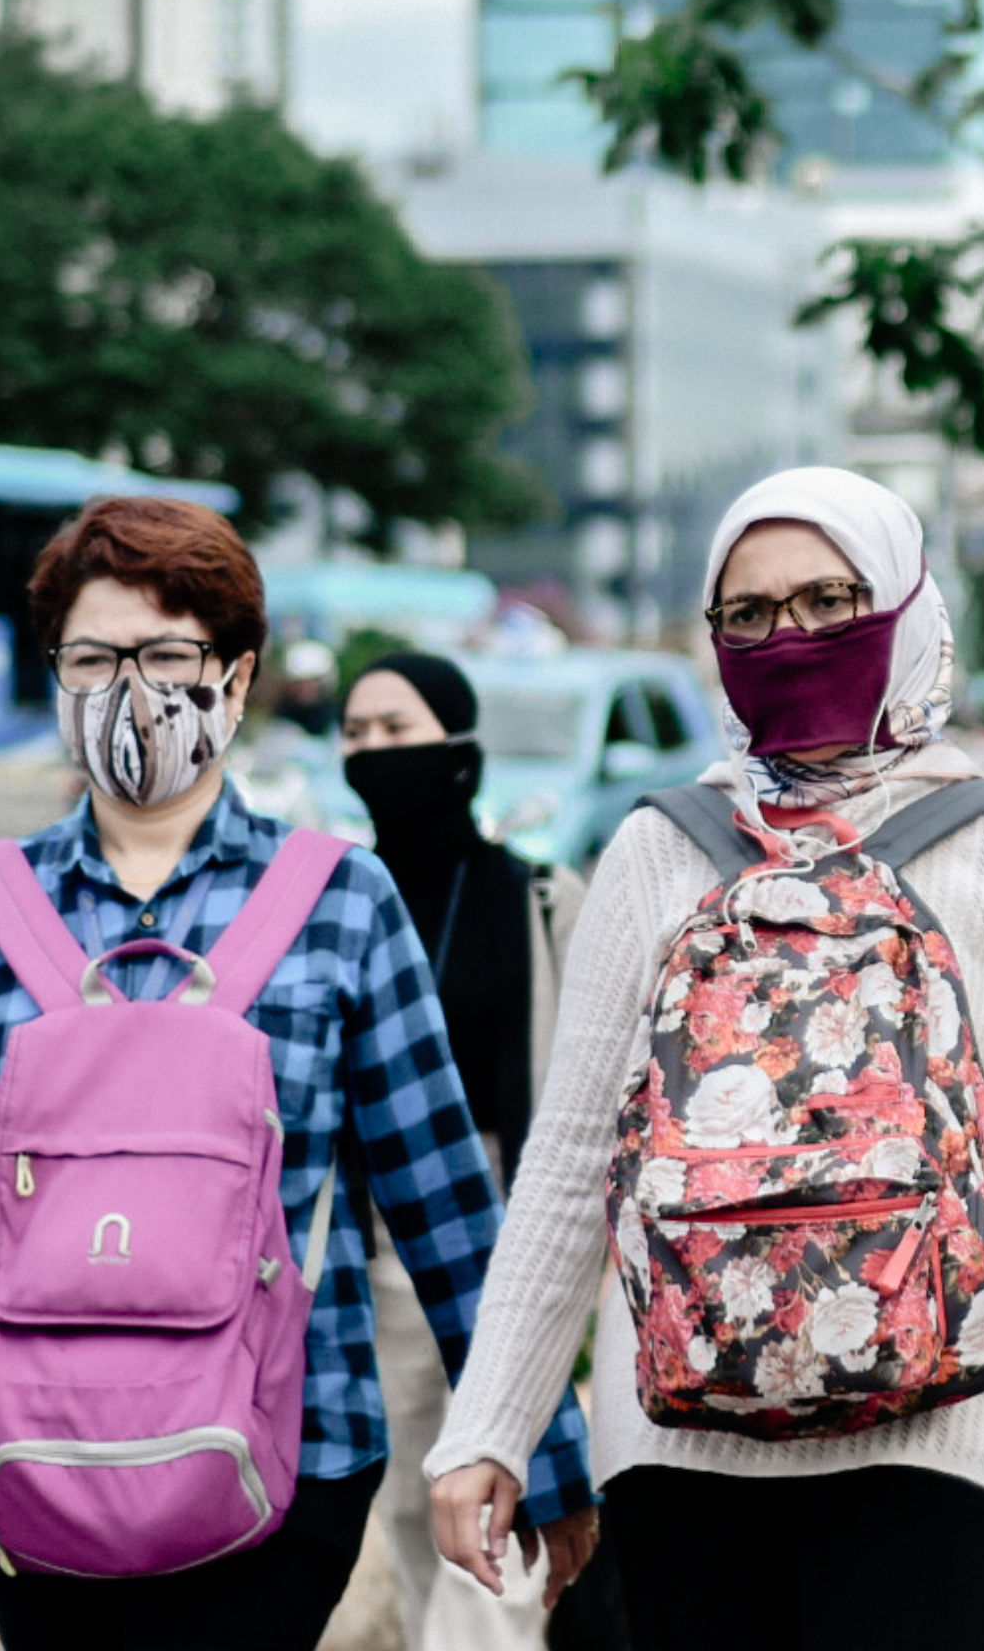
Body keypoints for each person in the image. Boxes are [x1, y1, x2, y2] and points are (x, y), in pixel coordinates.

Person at [0, 496, 592, 1651]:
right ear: (56, 675)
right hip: (33, 1447)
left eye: (168, 655)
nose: (131, 689)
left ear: (239, 673)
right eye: (94, 656)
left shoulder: (337, 901)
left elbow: (444, 1196)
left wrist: (539, 1447)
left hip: (288, 1460)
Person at [425, 467, 984, 1648]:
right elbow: (569, 1162)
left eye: (831, 599)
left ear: (907, 608)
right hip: (671, 1436)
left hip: (925, 1435)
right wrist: (488, 1430)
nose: (791, 634)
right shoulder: (659, 847)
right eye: (750, 612)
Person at [341, 653, 593, 1650]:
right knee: (411, 1494)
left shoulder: (535, 895)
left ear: (455, 739)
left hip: (513, 1216)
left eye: (395, 730)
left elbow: (591, 1074)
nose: (370, 751)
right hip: (387, 1235)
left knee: (507, 1474)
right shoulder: (342, 899)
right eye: (354, 733)